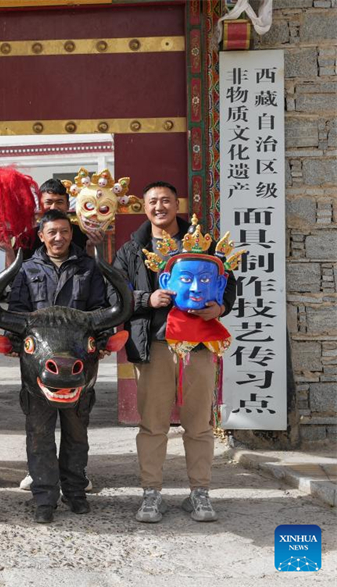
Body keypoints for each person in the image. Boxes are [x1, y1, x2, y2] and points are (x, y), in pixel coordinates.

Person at [111, 181, 236, 523]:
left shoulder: (202, 244)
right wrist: (145, 300)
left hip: (198, 345)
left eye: (166, 200)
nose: (159, 206)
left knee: (199, 424)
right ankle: (152, 494)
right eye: (153, 201)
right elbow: (116, 293)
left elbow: (229, 282)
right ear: (144, 207)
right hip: (155, 345)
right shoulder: (131, 250)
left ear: (176, 203)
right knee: (153, 425)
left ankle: (200, 493)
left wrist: (220, 308)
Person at [7, 209, 107, 523]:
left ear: (70, 233)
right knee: (39, 435)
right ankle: (44, 499)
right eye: (52, 232)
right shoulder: (25, 269)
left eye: (64, 231)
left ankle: (75, 493)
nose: (59, 237)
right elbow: (17, 311)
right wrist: (15, 340)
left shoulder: (88, 268)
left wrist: (100, 341)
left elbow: (103, 309)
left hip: (78, 367)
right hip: (39, 370)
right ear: (41, 235)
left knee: (77, 434)